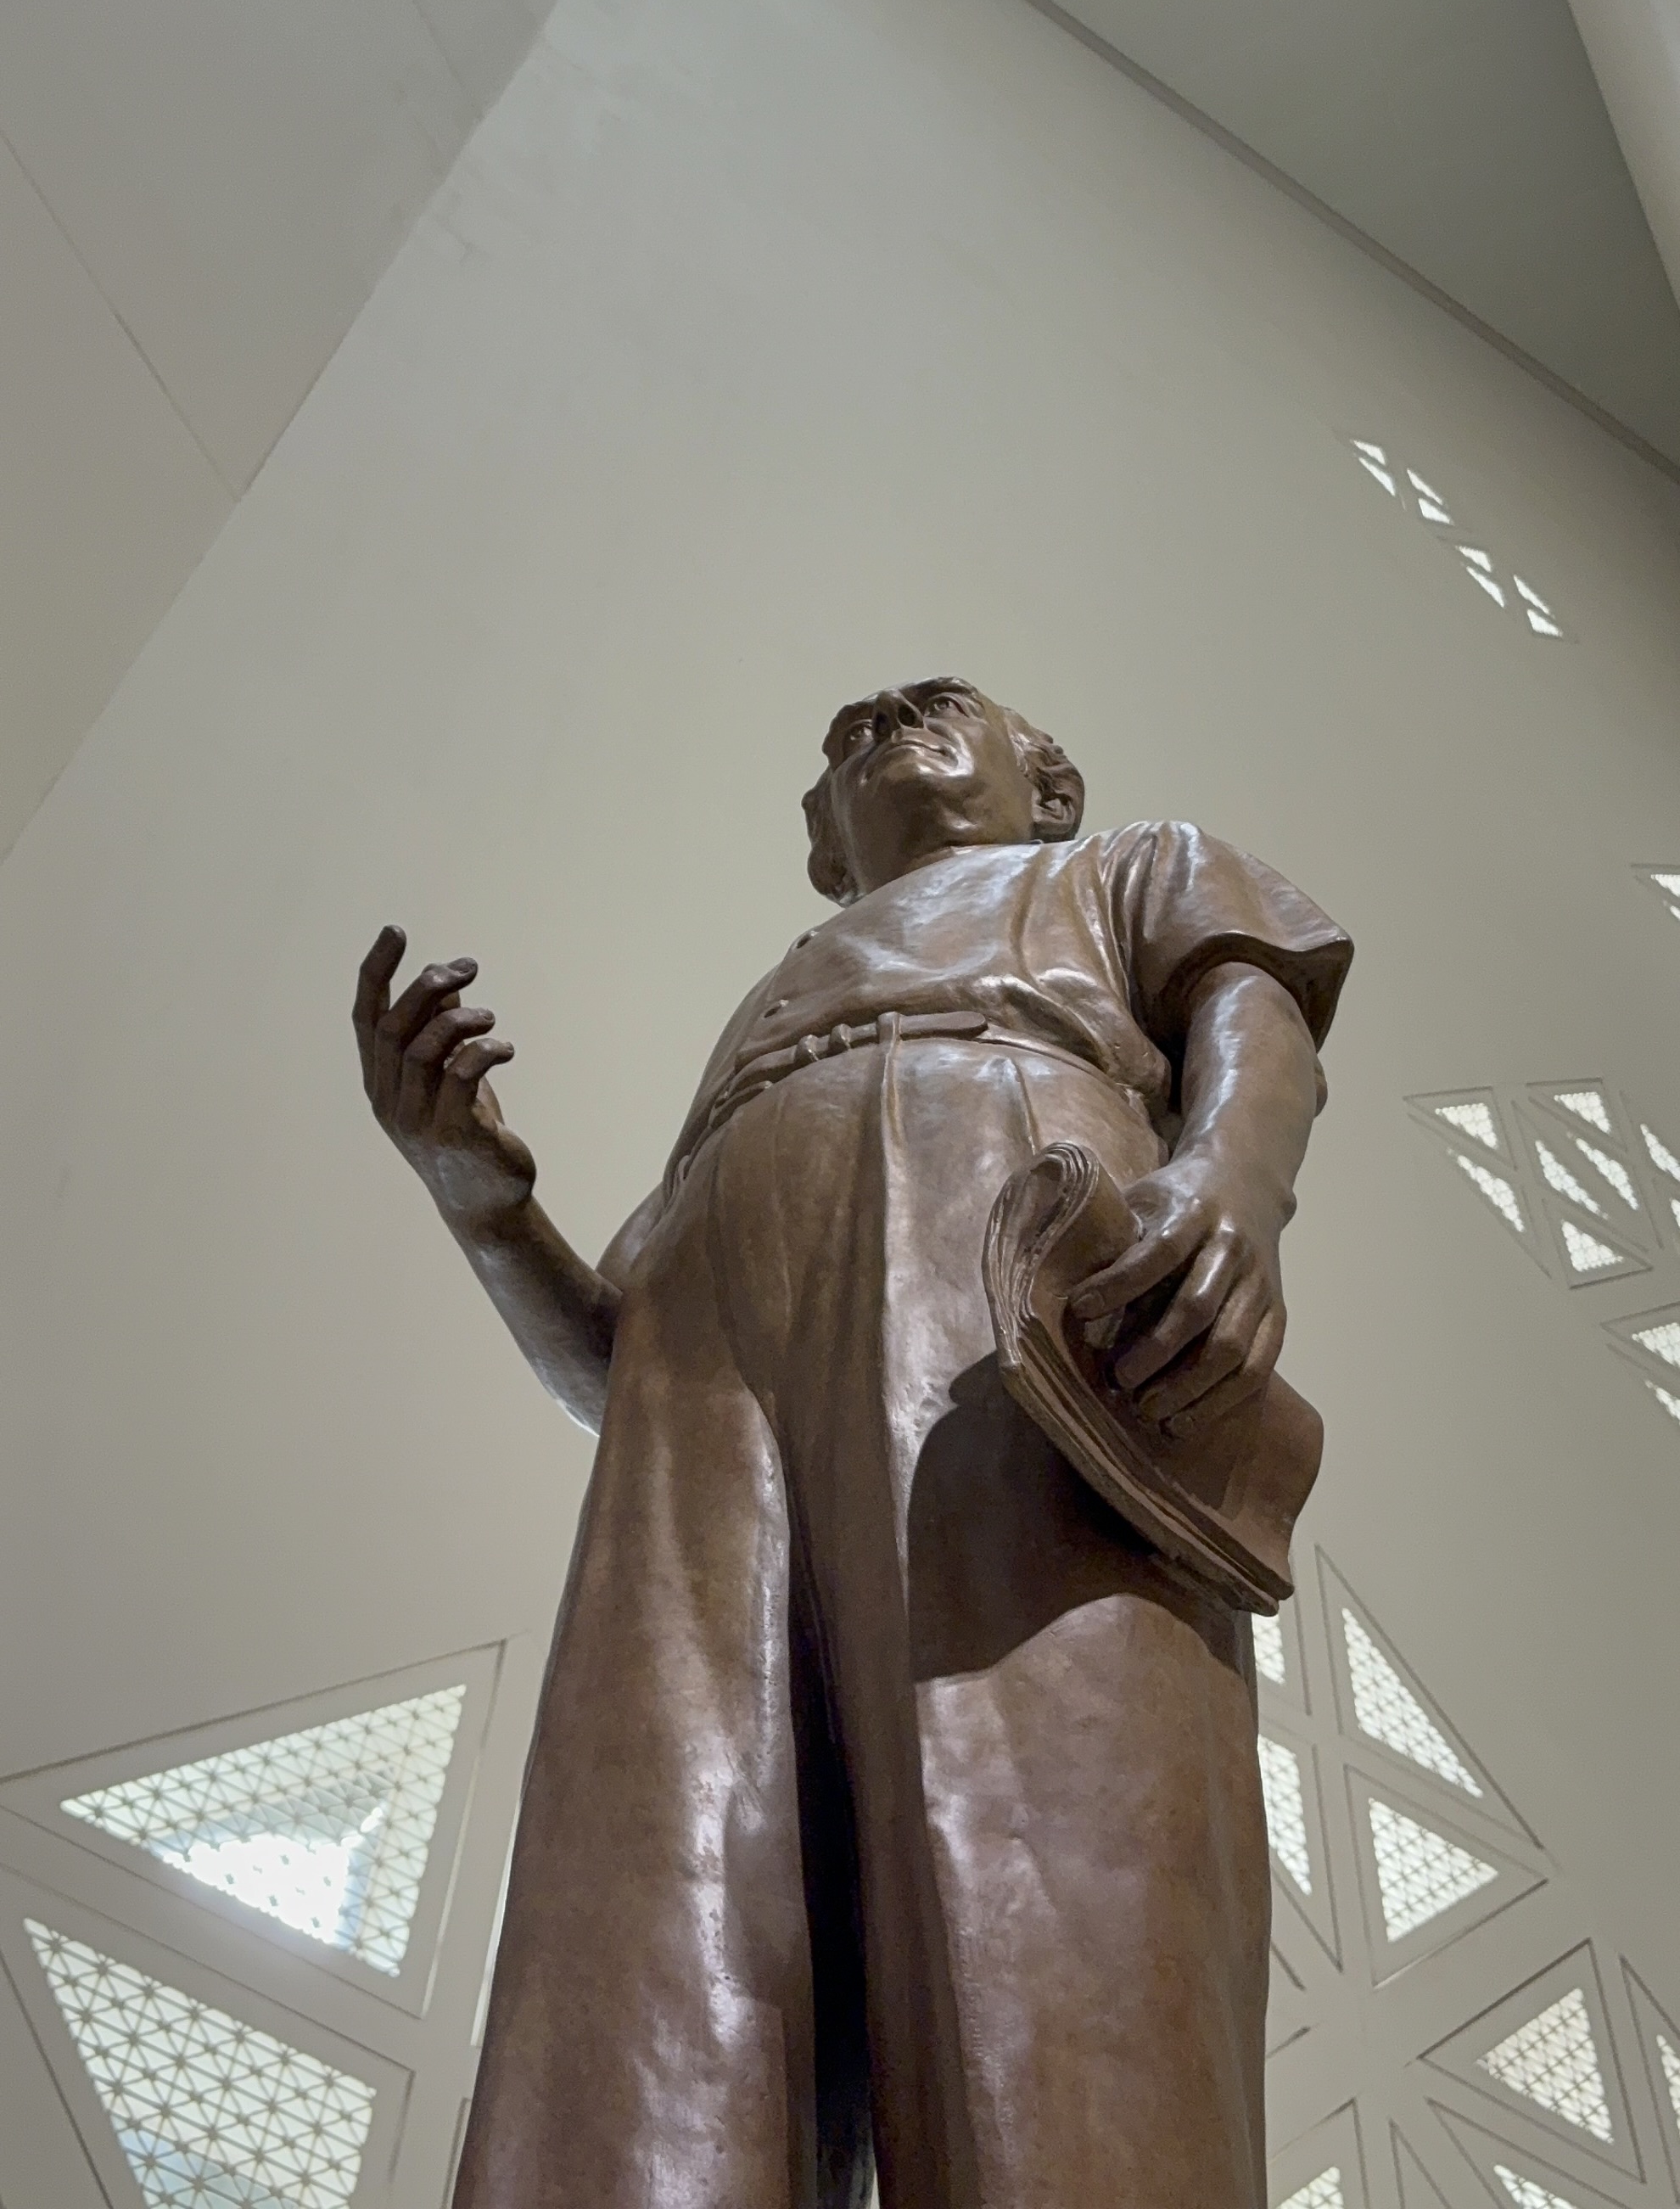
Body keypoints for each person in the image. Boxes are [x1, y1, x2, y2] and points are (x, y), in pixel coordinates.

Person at [354, 678, 1352, 2209]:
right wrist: (479, 1202)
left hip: (1007, 1286)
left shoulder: (1121, 868)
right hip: (710, 1387)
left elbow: (1253, 1006)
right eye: (851, 737)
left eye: (937, 707)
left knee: (1053, 1886)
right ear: (825, 849)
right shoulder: (766, 1035)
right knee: (659, 1909)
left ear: (1051, 785)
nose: (885, 721)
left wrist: (1234, 1178)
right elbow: (622, 1372)